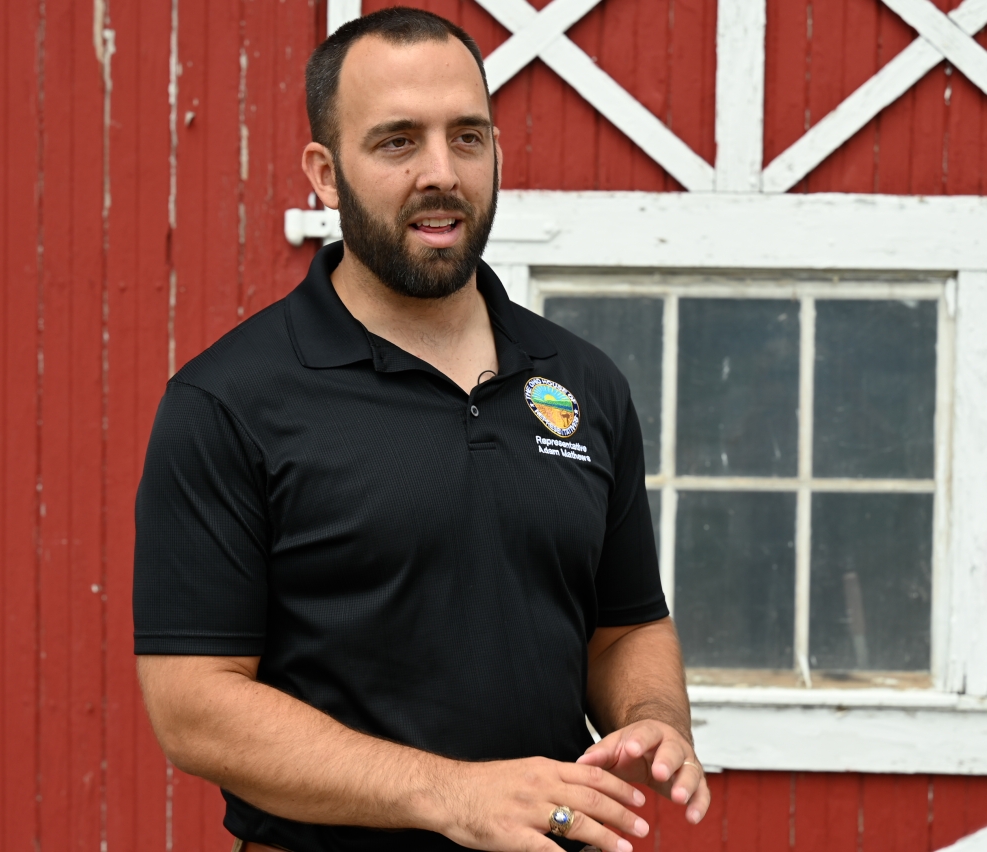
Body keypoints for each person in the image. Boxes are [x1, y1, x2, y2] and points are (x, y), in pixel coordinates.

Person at [132, 8, 710, 852]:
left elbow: (625, 625)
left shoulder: (581, 384)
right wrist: (450, 794)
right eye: (398, 142)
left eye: (467, 138)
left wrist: (652, 716)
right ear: (326, 175)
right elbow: (194, 707)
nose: (442, 172)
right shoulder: (229, 402)